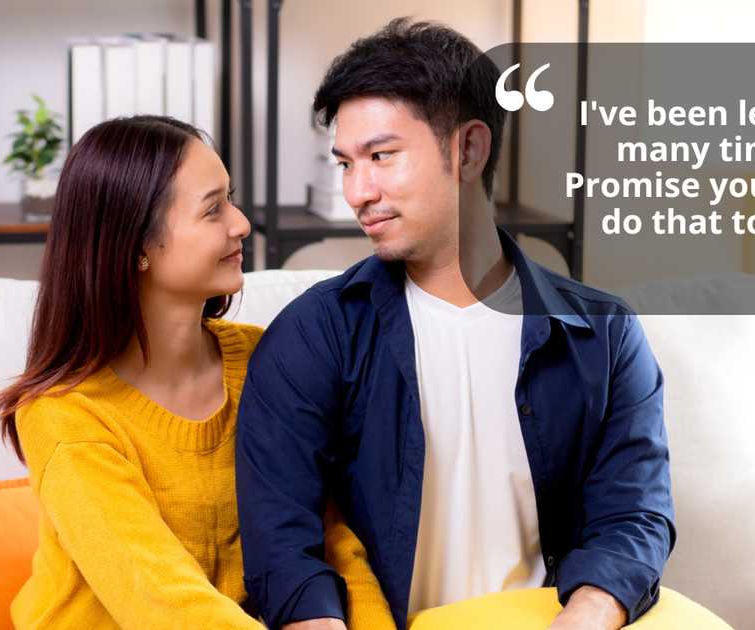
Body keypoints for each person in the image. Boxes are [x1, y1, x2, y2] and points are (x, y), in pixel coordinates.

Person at [236, 19, 702, 630]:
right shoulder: (313, 335)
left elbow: (634, 514)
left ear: (470, 149)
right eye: (346, 164)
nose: (358, 191)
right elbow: (279, 548)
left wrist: (586, 616)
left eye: (381, 156)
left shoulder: (604, 334)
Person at [0, 116, 395, 629]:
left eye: (231, 198)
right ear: (136, 246)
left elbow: (331, 538)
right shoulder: (65, 415)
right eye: (213, 210)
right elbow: (162, 601)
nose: (242, 223)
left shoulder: (264, 361)